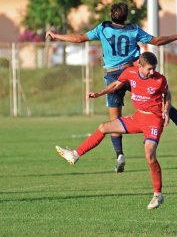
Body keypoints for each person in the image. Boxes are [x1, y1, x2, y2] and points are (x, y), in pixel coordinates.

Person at [47, 2, 177, 173]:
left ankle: (119, 154)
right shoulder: (133, 30)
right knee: (159, 96)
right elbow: (157, 41)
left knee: (114, 120)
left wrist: (56, 36)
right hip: (132, 71)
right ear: (126, 16)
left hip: (114, 75)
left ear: (111, 15)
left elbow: (79, 39)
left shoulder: (103, 28)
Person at [56, 51, 169, 210]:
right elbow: (116, 84)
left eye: (154, 68)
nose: (153, 71)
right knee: (104, 127)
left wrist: (166, 110)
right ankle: (75, 155)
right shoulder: (130, 72)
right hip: (138, 118)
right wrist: (99, 93)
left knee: (149, 154)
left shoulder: (159, 79)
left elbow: (167, 94)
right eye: (149, 68)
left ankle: (158, 195)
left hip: (153, 120)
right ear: (140, 66)